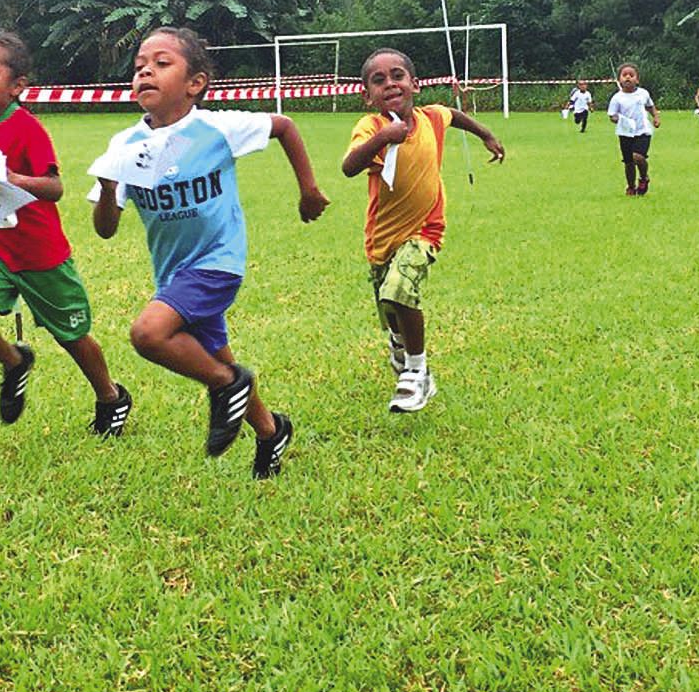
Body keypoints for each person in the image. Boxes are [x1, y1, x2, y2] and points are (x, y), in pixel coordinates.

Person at [90, 26, 328, 479]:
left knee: (148, 334)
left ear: (194, 83)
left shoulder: (217, 128)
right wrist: (107, 189)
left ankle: (227, 387)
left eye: (162, 64)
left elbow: (284, 127)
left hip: (218, 264)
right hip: (173, 276)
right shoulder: (123, 147)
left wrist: (309, 191)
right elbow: (105, 230)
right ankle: (270, 430)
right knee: (216, 353)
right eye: (140, 66)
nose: (146, 72)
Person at [0, 30, 131, 434]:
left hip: (40, 253)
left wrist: (14, 178)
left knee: (72, 336)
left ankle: (110, 397)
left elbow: (54, 188)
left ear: (17, 87)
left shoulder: (26, 129)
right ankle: (15, 361)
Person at [342, 48, 506, 414]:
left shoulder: (431, 117)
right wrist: (384, 138)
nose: (390, 84)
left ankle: (417, 374)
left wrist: (486, 134)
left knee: (400, 291)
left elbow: (455, 116)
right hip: (381, 239)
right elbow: (349, 166)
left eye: (397, 76)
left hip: (425, 229)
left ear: (414, 84)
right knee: (389, 305)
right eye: (379, 80)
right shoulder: (370, 127)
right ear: (367, 94)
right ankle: (400, 345)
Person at [607, 63, 660, 196]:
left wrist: (656, 117)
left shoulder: (643, 93)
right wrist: (619, 120)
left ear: (637, 79)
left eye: (631, 75)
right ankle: (631, 186)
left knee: (638, 157)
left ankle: (643, 177)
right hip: (625, 133)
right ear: (619, 79)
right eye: (624, 75)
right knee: (628, 162)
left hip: (642, 131)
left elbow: (650, 106)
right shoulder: (617, 98)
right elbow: (612, 115)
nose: (628, 78)